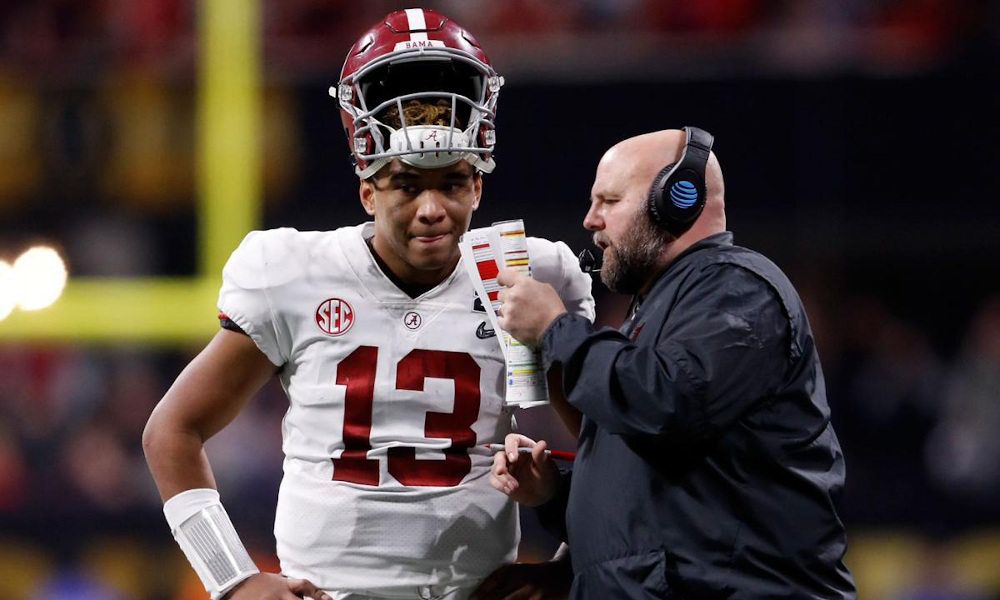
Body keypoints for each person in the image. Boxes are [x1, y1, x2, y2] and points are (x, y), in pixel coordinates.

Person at [142, 9, 593, 600]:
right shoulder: (295, 273)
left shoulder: (524, 273)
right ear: (367, 190)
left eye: (452, 183)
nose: (432, 207)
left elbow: (605, 450)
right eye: (407, 185)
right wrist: (230, 578)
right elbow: (172, 430)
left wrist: (566, 562)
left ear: (478, 185)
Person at [486, 128, 856, 599]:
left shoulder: (737, 287)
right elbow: (661, 511)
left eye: (609, 200)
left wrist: (556, 327)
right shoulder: (658, 312)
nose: (590, 220)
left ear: (678, 199)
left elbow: (665, 400)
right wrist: (553, 496)